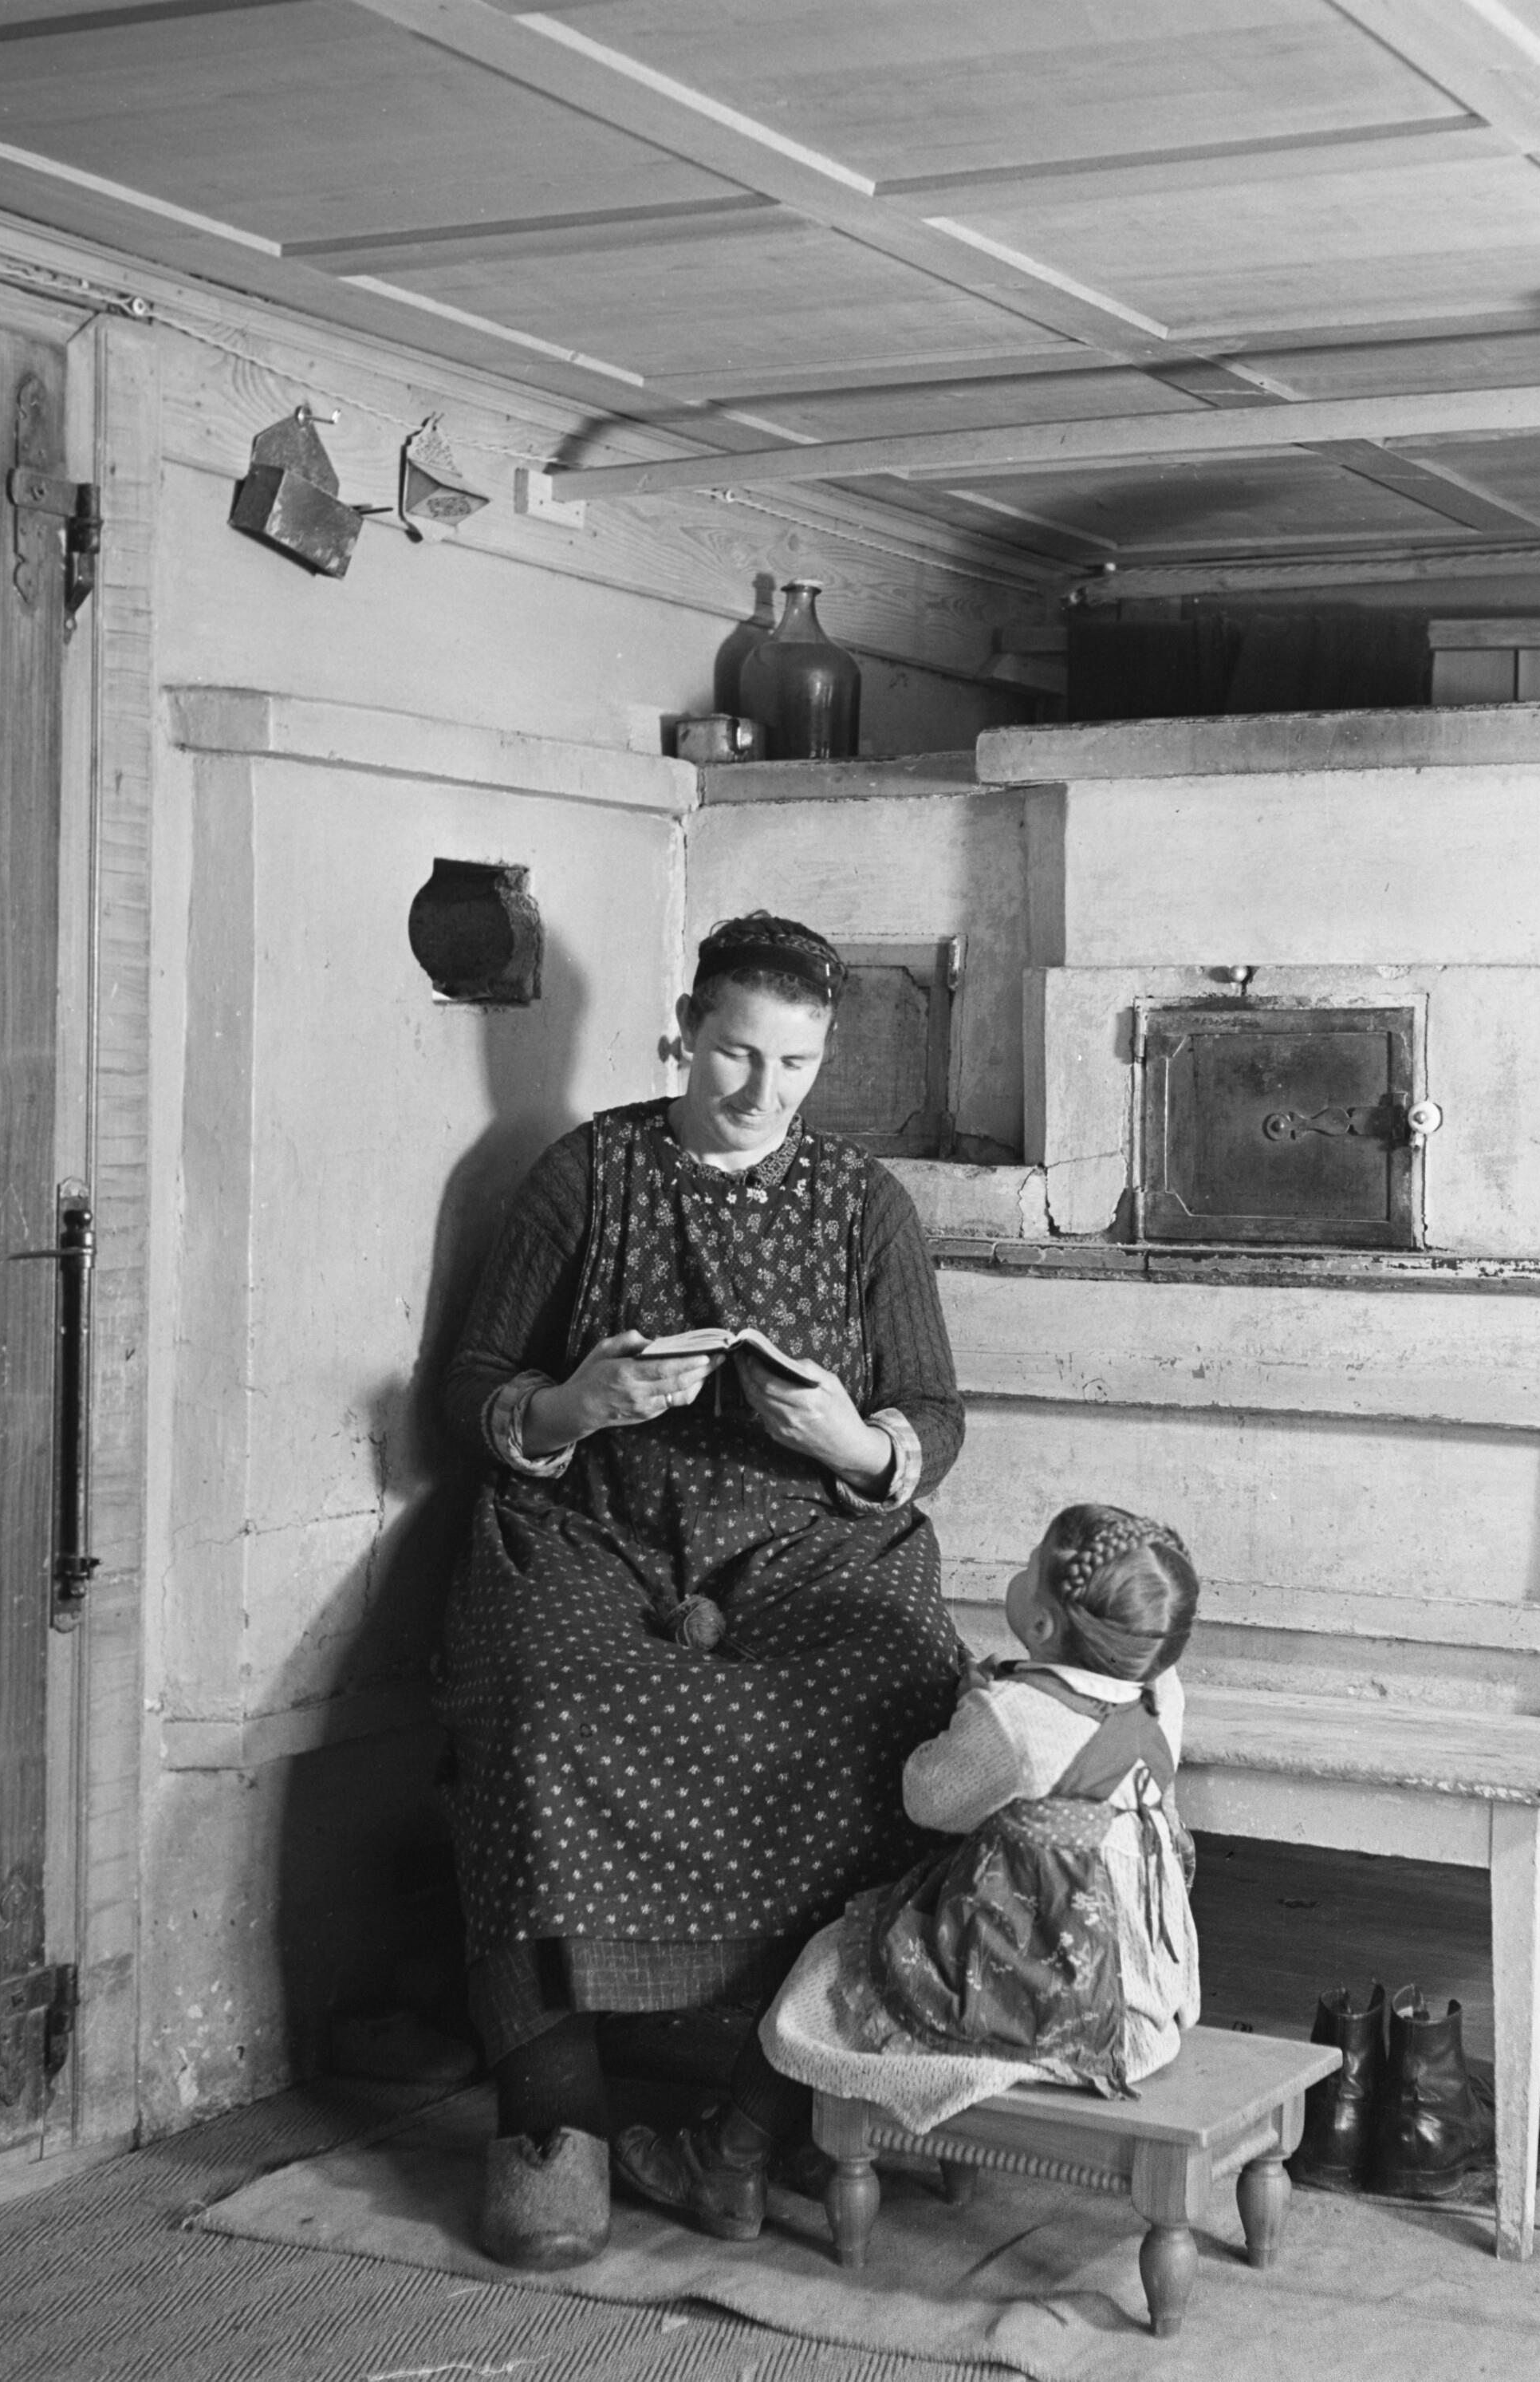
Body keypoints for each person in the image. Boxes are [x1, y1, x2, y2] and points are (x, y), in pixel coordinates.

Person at [437, 912, 969, 2270]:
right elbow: (471, 1383)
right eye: (737, 1054)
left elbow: (933, 1410)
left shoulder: (864, 1203)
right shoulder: (587, 1172)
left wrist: (852, 1441)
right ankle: (552, 2114)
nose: (762, 1092)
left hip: (806, 1540)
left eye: (797, 1064)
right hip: (595, 1526)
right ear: (685, 1030)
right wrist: (578, 1401)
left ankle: (780, 2102)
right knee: (540, 1698)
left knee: (898, 1692)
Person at [742, 1505, 1203, 2162]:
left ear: (1040, 1625)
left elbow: (928, 1799)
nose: (1023, 1567)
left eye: (1030, 1565)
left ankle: (741, 2144)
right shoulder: (1161, 1691)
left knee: (829, 1963)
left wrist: (970, 1712)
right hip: (1137, 1968)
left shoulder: (1012, 1718)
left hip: (1046, 1955)